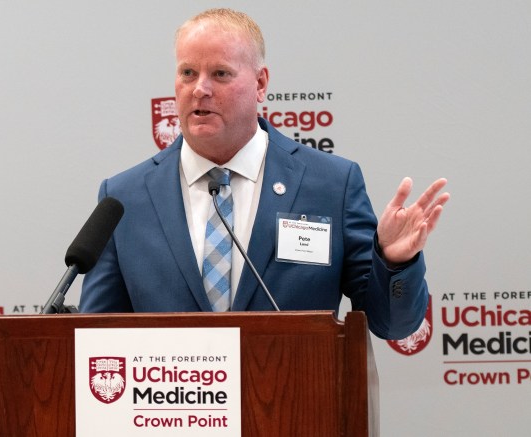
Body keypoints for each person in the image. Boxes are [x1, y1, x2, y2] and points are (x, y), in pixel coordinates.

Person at [79, 8, 449, 340]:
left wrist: (395, 262)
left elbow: (393, 326)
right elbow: (92, 338)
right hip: (169, 410)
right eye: (187, 73)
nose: (200, 89)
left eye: (220, 73)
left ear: (260, 84)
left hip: (294, 403)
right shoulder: (126, 197)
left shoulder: (331, 185)